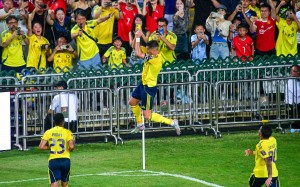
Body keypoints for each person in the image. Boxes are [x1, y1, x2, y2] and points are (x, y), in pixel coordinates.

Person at [129, 33, 181, 135]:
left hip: (149, 88)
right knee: (132, 102)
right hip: (143, 84)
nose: (147, 52)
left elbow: (138, 54)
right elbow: (136, 51)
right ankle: (140, 124)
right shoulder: (153, 54)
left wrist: (138, 37)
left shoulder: (156, 59)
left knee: (147, 116)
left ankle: (172, 122)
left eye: (149, 50)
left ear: (154, 50)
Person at [39, 113, 75, 187]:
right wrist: (70, 149)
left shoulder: (48, 132)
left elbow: (41, 147)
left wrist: (50, 147)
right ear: (63, 121)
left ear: (54, 121)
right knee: (64, 183)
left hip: (54, 160)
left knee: (54, 182)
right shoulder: (67, 132)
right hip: (65, 160)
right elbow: (71, 146)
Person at [285, 64, 300, 132]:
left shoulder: (298, 81)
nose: (297, 73)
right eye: (294, 71)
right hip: (292, 105)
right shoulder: (290, 82)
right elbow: (298, 94)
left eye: (298, 71)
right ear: (291, 73)